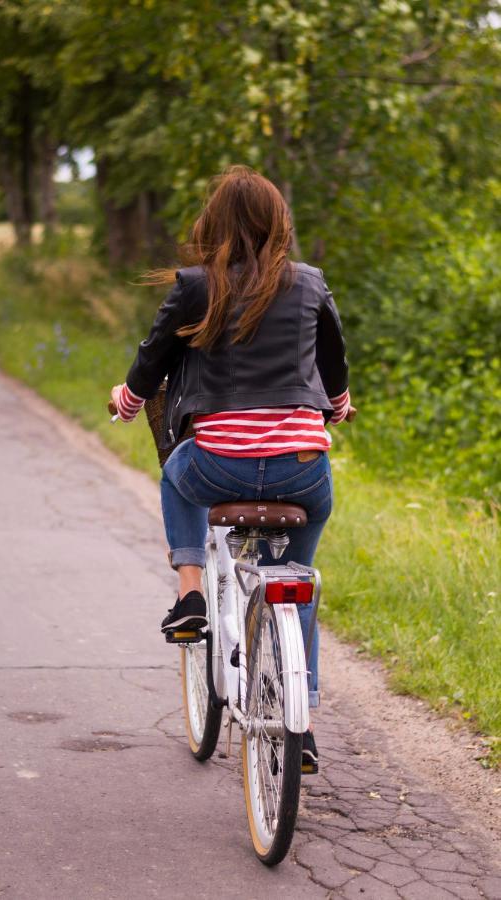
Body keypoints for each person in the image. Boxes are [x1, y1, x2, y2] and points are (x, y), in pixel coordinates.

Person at [110, 165, 354, 772]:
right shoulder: (311, 283)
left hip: (219, 467)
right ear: (279, 225)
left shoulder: (195, 286)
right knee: (296, 582)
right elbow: (334, 366)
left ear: (213, 225)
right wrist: (340, 404)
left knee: (175, 474)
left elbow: (152, 358)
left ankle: (190, 592)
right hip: (302, 470)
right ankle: (306, 724)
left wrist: (129, 399)